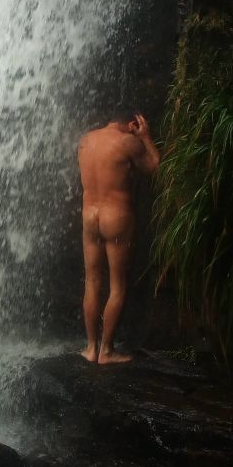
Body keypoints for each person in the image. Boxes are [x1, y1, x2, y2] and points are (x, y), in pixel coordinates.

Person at [77, 110, 161, 363]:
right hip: (117, 217)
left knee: (92, 282)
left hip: (89, 216)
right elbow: (155, 166)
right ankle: (107, 351)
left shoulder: (85, 140)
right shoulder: (127, 142)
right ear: (132, 123)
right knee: (117, 285)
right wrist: (145, 137)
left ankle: (91, 347)